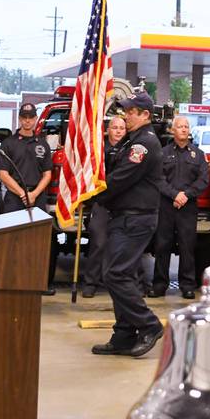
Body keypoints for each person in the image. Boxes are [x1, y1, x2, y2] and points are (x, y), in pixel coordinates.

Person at [91, 92, 164, 358]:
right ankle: (123, 334)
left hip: (135, 218)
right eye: (125, 111)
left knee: (115, 274)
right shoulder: (132, 141)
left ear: (145, 115)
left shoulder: (143, 144)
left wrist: (93, 194)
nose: (126, 116)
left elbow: (120, 178)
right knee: (121, 274)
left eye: (131, 112)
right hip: (124, 216)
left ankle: (148, 324)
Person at [0, 102, 54, 293]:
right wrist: (22, 194)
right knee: (11, 242)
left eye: (31, 117)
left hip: (37, 198)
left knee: (37, 243)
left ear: (36, 119)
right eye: (24, 117)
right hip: (15, 198)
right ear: (20, 119)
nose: (27, 121)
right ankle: (10, 282)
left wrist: (34, 194)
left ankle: (36, 283)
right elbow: (3, 173)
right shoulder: (9, 143)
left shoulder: (42, 144)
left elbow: (47, 174)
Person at [150, 115, 209, 298]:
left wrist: (185, 195)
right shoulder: (163, 153)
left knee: (187, 247)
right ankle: (159, 285)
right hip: (166, 205)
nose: (184, 129)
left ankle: (187, 285)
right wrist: (174, 194)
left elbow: (203, 180)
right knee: (162, 246)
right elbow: (158, 179)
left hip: (188, 207)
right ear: (172, 130)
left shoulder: (198, 155)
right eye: (180, 126)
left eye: (186, 126)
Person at [81, 115, 126, 299]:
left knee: (124, 245)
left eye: (121, 128)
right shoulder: (97, 151)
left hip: (123, 204)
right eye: (114, 127)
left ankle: (126, 283)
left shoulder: (130, 150)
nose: (118, 131)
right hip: (101, 202)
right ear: (107, 130)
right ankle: (91, 282)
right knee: (98, 242)